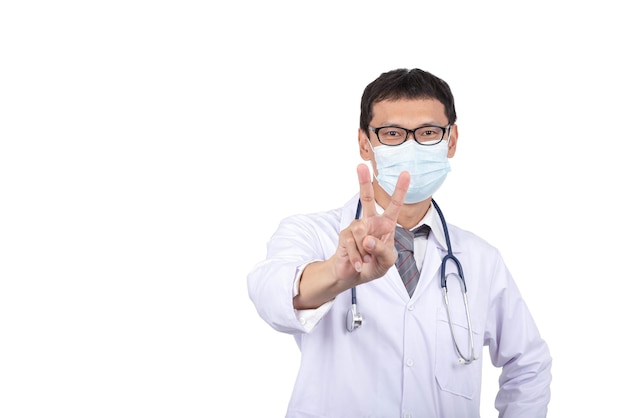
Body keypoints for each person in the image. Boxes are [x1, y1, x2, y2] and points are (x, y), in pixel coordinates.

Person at [247, 68, 552, 418]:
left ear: (451, 141)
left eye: (427, 132)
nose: (411, 145)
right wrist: (337, 273)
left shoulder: (481, 260)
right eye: (392, 133)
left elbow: (528, 363)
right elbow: (269, 293)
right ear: (365, 143)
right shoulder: (312, 233)